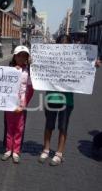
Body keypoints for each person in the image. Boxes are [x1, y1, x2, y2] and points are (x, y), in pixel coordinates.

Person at [38, 34, 75, 166]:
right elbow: (39, 65)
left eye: (66, 46)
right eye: (61, 45)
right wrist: (33, 62)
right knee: (49, 125)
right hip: (51, 97)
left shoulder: (75, 60)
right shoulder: (50, 59)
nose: (63, 48)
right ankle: (46, 149)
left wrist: (94, 64)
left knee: (63, 127)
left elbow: (86, 68)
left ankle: (59, 153)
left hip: (66, 99)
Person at [1, 45, 34, 164]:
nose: (21, 58)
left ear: (26, 58)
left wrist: (24, 104)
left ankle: (16, 150)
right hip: (10, 105)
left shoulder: (28, 71)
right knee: (10, 128)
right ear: (15, 57)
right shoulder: (8, 70)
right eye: (19, 55)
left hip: (21, 105)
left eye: (24, 56)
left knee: (19, 129)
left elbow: (30, 89)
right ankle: (8, 149)